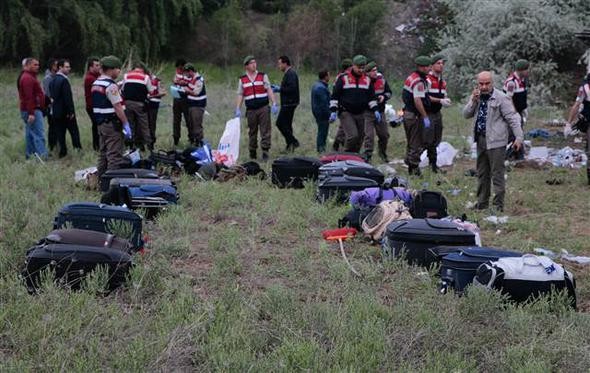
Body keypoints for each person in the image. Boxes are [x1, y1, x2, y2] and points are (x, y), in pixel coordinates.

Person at [463, 71, 523, 212]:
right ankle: (482, 203)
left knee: (497, 174)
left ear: (492, 83)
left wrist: (519, 138)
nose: (484, 87)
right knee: (482, 173)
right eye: (481, 84)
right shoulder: (477, 97)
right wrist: (473, 100)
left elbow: (513, 119)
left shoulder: (501, 98)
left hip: (496, 141)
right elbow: (465, 114)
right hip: (481, 140)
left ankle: (498, 206)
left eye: (487, 83)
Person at [329, 55, 379, 154]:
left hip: (361, 112)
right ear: (353, 66)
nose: (361, 70)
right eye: (359, 67)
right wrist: (333, 111)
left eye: (363, 67)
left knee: (360, 138)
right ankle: (345, 154)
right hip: (346, 111)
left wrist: (375, 109)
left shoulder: (367, 80)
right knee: (353, 136)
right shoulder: (343, 78)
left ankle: (354, 156)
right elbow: (335, 96)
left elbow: (371, 98)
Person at [92, 55, 132, 176]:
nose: (119, 72)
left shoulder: (96, 83)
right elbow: (118, 107)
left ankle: (100, 179)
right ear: (111, 69)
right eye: (118, 69)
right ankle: (112, 182)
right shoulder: (110, 85)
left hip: (100, 123)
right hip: (112, 124)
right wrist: (125, 123)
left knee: (103, 153)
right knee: (114, 154)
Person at [235, 55, 278, 161]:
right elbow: (240, 94)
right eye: (251, 63)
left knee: (265, 130)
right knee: (252, 131)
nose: (254, 64)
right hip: (251, 110)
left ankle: (265, 151)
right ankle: (252, 151)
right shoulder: (242, 79)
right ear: (246, 66)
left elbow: (269, 90)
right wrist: (238, 108)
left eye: (255, 62)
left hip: (263, 107)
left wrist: (274, 103)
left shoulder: (263, 76)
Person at [402, 56, 432, 176]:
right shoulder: (418, 81)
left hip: (408, 113)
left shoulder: (412, 77)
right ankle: (413, 169)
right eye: (426, 67)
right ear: (420, 67)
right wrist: (425, 116)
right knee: (416, 142)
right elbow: (417, 100)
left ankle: (409, 160)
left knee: (411, 141)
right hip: (414, 115)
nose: (428, 68)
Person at [49, 59, 82, 157]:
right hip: (66, 112)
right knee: (74, 132)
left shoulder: (53, 80)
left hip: (56, 111)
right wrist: (71, 111)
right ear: (60, 67)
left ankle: (62, 152)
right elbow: (67, 98)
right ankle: (78, 149)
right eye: (66, 67)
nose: (69, 69)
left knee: (60, 133)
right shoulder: (64, 80)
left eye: (69, 67)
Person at [425, 54, 452, 172]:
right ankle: (431, 165)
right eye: (438, 63)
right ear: (432, 66)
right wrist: (440, 100)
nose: (441, 66)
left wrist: (446, 99)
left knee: (437, 138)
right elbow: (425, 97)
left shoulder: (442, 81)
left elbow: (443, 94)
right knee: (428, 139)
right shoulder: (427, 80)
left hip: (437, 113)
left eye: (442, 63)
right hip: (427, 112)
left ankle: (433, 164)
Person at [18, 57, 48, 160]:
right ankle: (42, 157)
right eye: (35, 65)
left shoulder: (30, 77)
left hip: (31, 109)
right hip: (32, 110)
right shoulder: (27, 78)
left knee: (30, 134)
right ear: (27, 65)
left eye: (38, 65)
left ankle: (30, 155)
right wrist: (31, 113)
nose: (37, 67)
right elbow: (29, 97)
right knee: (39, 134)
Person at [364, 61, 392, 162]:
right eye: (373, 71)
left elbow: (389, 92)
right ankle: (367, 155)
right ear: (367, 72)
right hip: (367, 112)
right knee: (369, 136)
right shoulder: (364, 81)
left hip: (380, 111)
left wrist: (383, 97)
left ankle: (382, 153)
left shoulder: (381, 79)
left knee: (384, 135)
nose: (375, 72)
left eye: (376, 70)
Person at [121, 62, 153, 150]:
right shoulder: (145, 77)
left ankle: (129, 144)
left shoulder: (126, 76)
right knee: (144, 125)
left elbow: (123, 89)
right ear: (142, 70)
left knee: (129, 124)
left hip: (127, 103)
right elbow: (151, 91)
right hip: (140, 104)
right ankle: (149, 145)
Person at [503, 59, 530, 160]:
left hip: (519, 111)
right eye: (526, 69)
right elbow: (508, 99)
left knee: (519, 134)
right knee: (512, 135)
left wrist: (524, 109)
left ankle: (518, 156)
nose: (528, 72)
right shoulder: (511, 82)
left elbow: (521, 97)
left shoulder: (522, 81)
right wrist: (514, 113)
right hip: (512, 113)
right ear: (521, 70)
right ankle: (508, 156)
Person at [567, 72, 590, 185]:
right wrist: (569, 123)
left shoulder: (585, 87)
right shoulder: (585, 88)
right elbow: (577, 105)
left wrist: (569, 123)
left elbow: (576, 105)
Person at [276, 55, 300, 152]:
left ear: (285, 63)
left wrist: (279, 89)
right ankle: (290, 146)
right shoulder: (288, 73)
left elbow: (292, 88)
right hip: (289, 103)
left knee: (280, 123)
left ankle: (294, 141)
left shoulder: (291, 74)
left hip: (289, 103)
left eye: (280, 64)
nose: (279, 66)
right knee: (287, 124)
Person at [183, 63, 207, 146]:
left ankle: (199, 142)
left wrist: (187, 91)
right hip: (191, 105)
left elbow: (196, 92)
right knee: (191, 124)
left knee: (197, 124)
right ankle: (193, 141)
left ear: (190, 71)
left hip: (198, 105)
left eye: (186, 72)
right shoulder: (191, 79)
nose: (185, 75)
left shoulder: (199, 79)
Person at [333, 58, 353, 151]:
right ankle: (338, 143)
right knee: (344, 126)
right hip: (342, 105)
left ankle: (338, 142)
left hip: (341, 105)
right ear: (349, 67)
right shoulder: (343, 77)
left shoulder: (339, 76)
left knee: (343, 126)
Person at [311, 70, 331, 153]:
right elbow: (324, 103)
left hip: (318, 112)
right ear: (325, 76)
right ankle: (321, 149)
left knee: (322, 130)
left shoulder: (317, 85)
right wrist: (329, 113)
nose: (330, 77)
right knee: (322, 131)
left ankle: (321, 148)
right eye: (329, 75)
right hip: (322, 113)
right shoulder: (321, 88)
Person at [84, 56, 101, 151]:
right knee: (96, 126)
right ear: (91, 67)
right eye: (97, 65)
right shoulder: (90, 78)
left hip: (94, 106)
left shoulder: (95, 76)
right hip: (92, 106)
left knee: (97, 126)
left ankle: (97, 145)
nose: (99, 67)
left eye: (99, 65)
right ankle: (97, 146)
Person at [172, 58, 190, 146]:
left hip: (186, 98)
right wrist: (178, 81)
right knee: (176, 120)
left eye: (179, 68)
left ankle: (191, 137)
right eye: (177, 68)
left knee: (188, 119)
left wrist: (180, 82)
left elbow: (188, 82)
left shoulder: (188, 72)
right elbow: (174, 80)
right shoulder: (177, 72)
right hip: (176, 97)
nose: (178, 70)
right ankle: (176, 138)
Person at [42, 58, 58, 151]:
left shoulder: (55, 76)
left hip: (55, 106)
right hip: (51, 106)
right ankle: (52, 146)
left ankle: (56, 144)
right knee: (52, 127)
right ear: (52, 66)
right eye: (56, 65)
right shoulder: (48, 78)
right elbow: (48, 94)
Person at [147, 70, 166, 149]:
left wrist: (151, 97)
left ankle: (151, 143)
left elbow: (163, 93)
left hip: (153, 104)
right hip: (144, 103)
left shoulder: (157, 80)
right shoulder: (143, 79)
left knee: (151, 123)